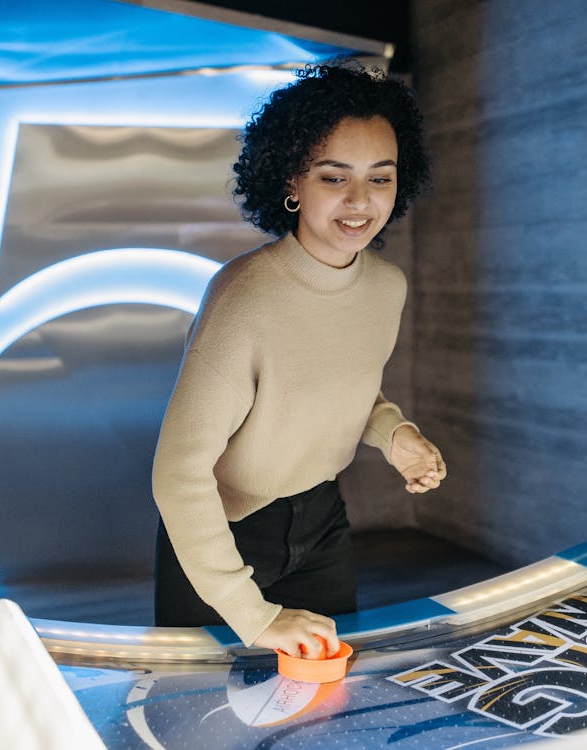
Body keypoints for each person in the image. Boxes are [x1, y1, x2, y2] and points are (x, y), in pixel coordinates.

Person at [151, 62, 445, 659]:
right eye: (334, 177)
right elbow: (177, 474)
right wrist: (253, 616)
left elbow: (341, 388)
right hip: (223, 535)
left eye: (380, 178)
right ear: (292, 180)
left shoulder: (387, 286)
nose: (360, 201)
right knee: (199, 726)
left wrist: (396, 434)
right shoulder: (244, 296)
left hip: (323, 522)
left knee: (324, 711)